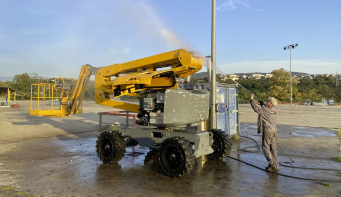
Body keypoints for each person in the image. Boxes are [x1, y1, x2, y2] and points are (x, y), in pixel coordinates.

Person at [250, 94, 279, 171]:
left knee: (265, 147)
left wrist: (252, 99)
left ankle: (271, 163)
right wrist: (263, 104)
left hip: (267, 130)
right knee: (273, 148)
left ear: (271, 103)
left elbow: (255, 108)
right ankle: (276, 164)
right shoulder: (276, 109)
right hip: (274, 130)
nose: (266, 102)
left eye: (268, 101)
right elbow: (268, 109)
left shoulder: (264, 110)